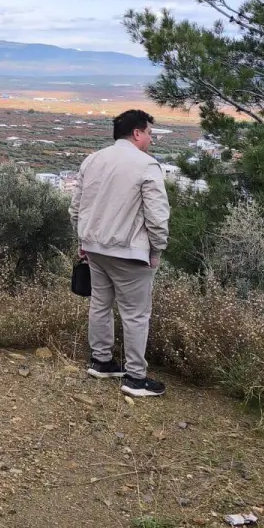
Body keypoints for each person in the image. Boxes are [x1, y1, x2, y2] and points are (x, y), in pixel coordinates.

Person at [69, 109, 170, 398]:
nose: (151, 139)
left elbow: (77, 206)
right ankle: (136, 378)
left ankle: (102, 362)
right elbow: (157, 216)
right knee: (136, 314)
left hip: (95, 248)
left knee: (100, 304)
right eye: (149, 133)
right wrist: (156, 250)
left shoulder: (92, 160)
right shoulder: (147, 165)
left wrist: (83, 239)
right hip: (130, 252)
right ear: (137, 133)